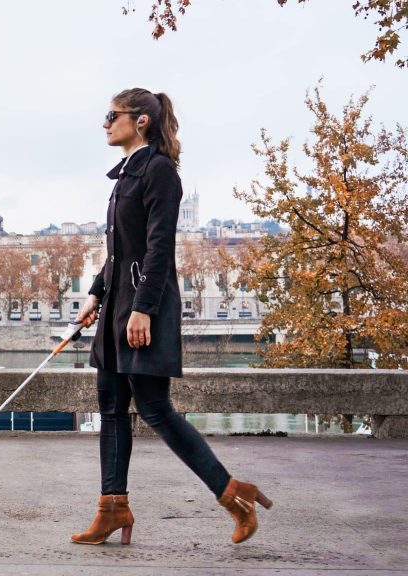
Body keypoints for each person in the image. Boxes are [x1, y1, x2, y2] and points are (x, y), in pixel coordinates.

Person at [70, 88, 272, 546]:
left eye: (111, 115)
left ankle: (232, 495)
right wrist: (96, 294)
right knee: (111, 409)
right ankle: (112, 509)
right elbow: (121, 251)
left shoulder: (159, 171)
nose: (105, 123)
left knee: (156, 409)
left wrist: (143, 308)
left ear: (140, 120)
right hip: (116, 308)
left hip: (142, 307)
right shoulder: (125, 175)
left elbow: (160, 247)